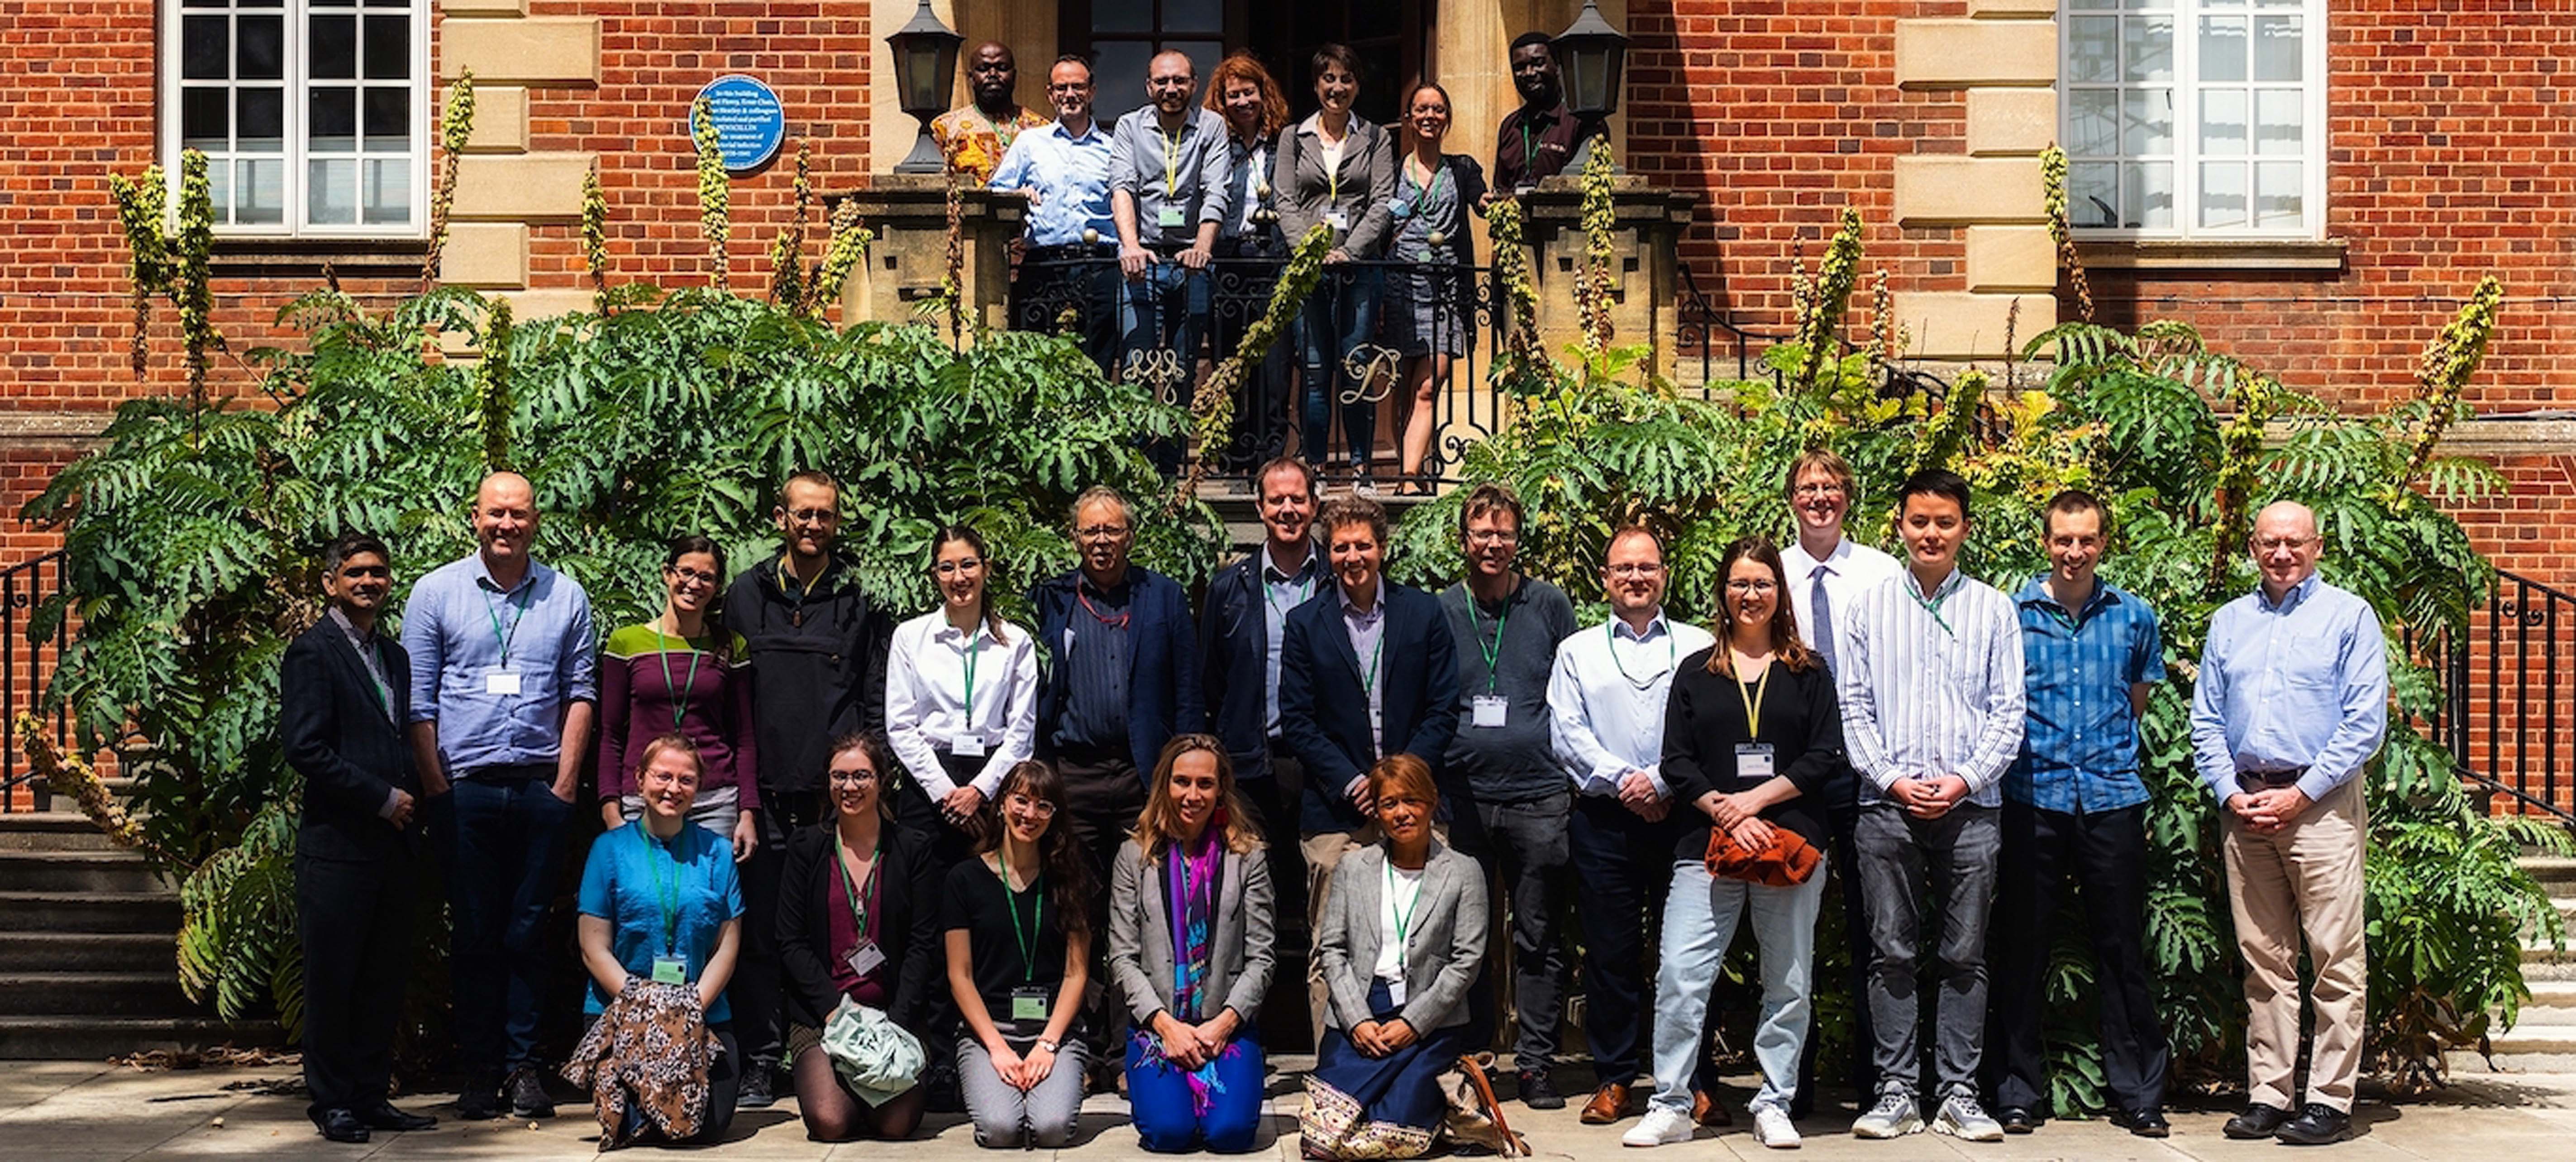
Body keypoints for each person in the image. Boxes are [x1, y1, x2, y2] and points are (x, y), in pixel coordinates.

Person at [1621, 537, 1841, 1151]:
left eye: (1763, 583)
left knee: (1788, 980)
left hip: (1789, 844)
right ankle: (1669, 1102)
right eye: (1741, 583)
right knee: (1681, 975)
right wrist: (1725, 807)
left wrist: (1754, 802)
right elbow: (1678, 759)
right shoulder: (1696, 670)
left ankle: (1774, 1102)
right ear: (1724, 591)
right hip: (1706, 846)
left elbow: (1825, 754)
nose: (1752, 594)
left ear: (1780, 592)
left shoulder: (1809, 670)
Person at [1837, 468, 2024, 1143]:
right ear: (1900, 524)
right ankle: (1895, 1089)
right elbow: (1852, 706)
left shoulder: (1994, 608)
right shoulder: (1869, 607)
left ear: (1964, 528)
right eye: (1920, 521)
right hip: (1885, 806)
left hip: (1972, 808)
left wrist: (1964, 778)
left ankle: (1959, 1091)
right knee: (1889, 949)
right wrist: (1890, 778)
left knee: (1965, 952)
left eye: (1945, 522)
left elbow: (2008, 712)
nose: (1931, 533)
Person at [2191, 500, 2385, 1148]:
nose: (2282, 554)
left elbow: (2364, 723)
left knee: (2335, 958)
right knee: (2265, 961)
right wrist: (2227, 790)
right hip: (2246, 806)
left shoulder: (2348, 616)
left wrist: (2301, 794)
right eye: (2270, 542)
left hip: (2321, 806)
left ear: (2318, 546)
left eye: (2294, 542)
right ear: (2252, 546)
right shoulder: (2230, 621)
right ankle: (2270, 1093)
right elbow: (2207, 721)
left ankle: (2329, 1099)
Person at [403, 471, 595, 1122]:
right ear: (476, 518)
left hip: (540, 787)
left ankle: (524, 1068)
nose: (506, 524)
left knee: (529, 931)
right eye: (495, 513)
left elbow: (580, 692)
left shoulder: (565, 595)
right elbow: (418, 698)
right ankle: (480, 1070)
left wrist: (566, 784)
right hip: (466, 790)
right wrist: (436, 785)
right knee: (477, 934)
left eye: (518, 513)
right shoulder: (436, 592)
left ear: (536, 519)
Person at [1985, 491, 2173, 1138]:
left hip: (2110, 798)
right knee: (2021, 946)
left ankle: (2139, 1092)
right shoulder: (2011, 614)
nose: (2074, 552)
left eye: (2086, 539)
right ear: (2046, 541)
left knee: (2122, 948)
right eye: (2064, 539)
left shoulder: (2133, 616)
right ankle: (2015, 1089)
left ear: (2103, 543)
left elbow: (2138, 699)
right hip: (2031, 797)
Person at [725, 470, 899, 1109]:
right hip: (765, 798)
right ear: (781, 517)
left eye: (825, 515)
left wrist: (870, 779)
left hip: (837, 804)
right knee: (762, 935)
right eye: (803, 514)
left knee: (833, 938)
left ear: (836, 520)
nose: (814, 525)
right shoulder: (744, 594)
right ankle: (760, 1058)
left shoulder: (858, 599)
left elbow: (875, 694)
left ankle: (831, 1047)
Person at [1545, 526, 1716, 1128]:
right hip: (1605, 819)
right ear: (1605, 578)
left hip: (1685, 817)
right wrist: (1628, 782)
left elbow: (1709, 729)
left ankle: (1695, 1079)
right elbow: (1567, 731)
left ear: (1664, 573)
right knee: (1611, 953)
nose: (1636, 577)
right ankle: (1615, 1077)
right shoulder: (1578, 650)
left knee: (1689, 953)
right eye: (1624, 568)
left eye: (1647, 567)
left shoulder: (1701, 645)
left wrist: (1665, 782)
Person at [1279, 493, 1460, 1045]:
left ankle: (1422, 1066)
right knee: (1331, 944)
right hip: (1338, 811)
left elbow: (1443, 706)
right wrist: (1356, 782)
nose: (1351, 556)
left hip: (1415, 804)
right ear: (1326, 552)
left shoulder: (1423, 613)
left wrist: (1400, 784)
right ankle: (1334, 1067)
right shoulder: (1305, 623)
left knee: (1423, 941)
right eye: (1339, 547)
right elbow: (1297, 719)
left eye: (1362, 545)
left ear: (1382, 549)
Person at [283, 532, 437, 1144]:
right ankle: (333, 1102)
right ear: (330, 582)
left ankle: (373, 1095)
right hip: (339, 846)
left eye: (377, 572)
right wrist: (379, 795)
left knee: (382, 977)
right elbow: (306, 747)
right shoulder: (312, 652)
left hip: (393, 848)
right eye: (355, 573)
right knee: (334, 979)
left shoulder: (394, 656)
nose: (368, 581)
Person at [1438, 482, 1579, 1108]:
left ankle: (1537, 1062)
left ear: (1519, 538)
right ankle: (1474, 1061)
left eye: (1505, 532)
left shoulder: (1549, 604)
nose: (1493, 543)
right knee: (1465, 938)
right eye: (1482, 532)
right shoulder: (1442, 609)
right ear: (1464, 539)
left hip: (1540, 795)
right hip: (1463, 796)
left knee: (1539, 935)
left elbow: (1573, 690)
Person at [1777, 448, 1902, 1112]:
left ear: (1848, 497)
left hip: (1866, 770)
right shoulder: (1774, 571)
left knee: (1873, 929)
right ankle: (1789, 1080)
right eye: (1807, 487)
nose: (1819, 497)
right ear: (1792, 498)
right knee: (1790, 927)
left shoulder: (1881, 572)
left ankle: (1875, 1076)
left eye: (1830, 486)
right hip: (1796, 775)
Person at [1300, 753, 1488, 1161]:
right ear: (1377, 811)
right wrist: (1358, 1018)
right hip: (1364, 1011)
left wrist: (1413, 1023)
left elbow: (1466, 961)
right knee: (1319, 1139)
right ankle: (1435, 1111)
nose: (1402, 813)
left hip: (1429, 1019)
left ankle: (1435, 1104)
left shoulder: (1463, 871)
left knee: (1390, 1135)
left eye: (1412, 800)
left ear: (1432, 801)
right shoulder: (1353, 867)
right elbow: (1331, 949)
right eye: (1389, 804)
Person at [1107, 734, 1278, 1153]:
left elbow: (1262, 956)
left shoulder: (1248, 857)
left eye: (1205, 783)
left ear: (1222, 789)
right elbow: (1122, 957)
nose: (1193, 795)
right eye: (1182, 781)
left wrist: (1223, 1024)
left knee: (1230, 1134)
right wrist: (1166, 1025)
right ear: (1164, 783)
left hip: (1226, 1025)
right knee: (1170, 1133)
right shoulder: (1134, 856)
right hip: (1159, 1025)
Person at [573, 735, 747, 1144]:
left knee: (707, 1126)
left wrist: (686, 1009)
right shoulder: (608, 849)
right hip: (623, 1010)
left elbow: (728, 944)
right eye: (662, 776)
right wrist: (648, 1005)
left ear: (699, 787)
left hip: (700, 1011)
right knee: (636, 1122)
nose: (673, 788)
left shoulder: (719, 854)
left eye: (686, 779)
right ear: (639, 780)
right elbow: (592, 945)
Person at [1029, 486, 1205, 883]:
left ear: (1130, 536)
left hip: (1143, 772)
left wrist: (1184, 768)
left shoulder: (1164, 596)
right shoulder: (1051, 598)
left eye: (1112, 530)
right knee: (1076, 894)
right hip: (1074, 773)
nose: (1102, 540)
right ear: (1075, 538)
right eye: (1091, 531)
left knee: (1146, 888)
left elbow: (1188, 691)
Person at [777, 732, 940, 1141]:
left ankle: (863, 1090)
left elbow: (923, 944)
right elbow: (790, 940)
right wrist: (834, 1012)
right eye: (840, 776)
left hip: (893, 1011)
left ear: (882, 781)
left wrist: (899, 1024)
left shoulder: (912, 849)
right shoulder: (807, 847)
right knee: (830, 1122)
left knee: (896, 1124)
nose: (850, 787)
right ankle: (847, 1090)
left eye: (862, 775)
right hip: (825, 1015)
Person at [944, 760, 1097, 1149]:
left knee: (1052, 1128)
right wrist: (996, 1047)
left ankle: (1057, 1078)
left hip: (1054, 1031)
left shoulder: (1070, 876)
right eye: (1021, 801)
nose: (1030, 814)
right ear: (1001, 804)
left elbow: (1076, 974)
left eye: (1044, 806)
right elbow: (960, 974)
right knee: (999, 1129)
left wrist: (1048, 1044)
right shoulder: (964, 879)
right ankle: (988, 1082)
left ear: (1054, 816)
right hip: (988, 1031)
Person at [1199, 456, 1325, 895]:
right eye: (1277, 500)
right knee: (1250, 889)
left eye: (1297, 498)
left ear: (1314, 505)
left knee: (1319, 886)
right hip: (1252, 763)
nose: (1287, 509)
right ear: (1259, 507)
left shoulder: (1337, 580)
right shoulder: (1229, 588)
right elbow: (1212, 677)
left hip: (1322, 766)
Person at [887, 524, 1042, 876]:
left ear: (986, 568)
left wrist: (979, 791)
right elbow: (900, 726)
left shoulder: (1016, 643)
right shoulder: (910, 637)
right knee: (923, 895)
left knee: (986, 898)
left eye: (968, 565)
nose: (959, 577)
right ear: (934, 575)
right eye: (947, 567)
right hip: (927, 782)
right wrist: (944, 791)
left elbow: (1022, 733)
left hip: (993, 781)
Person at [1273, 43, 1395, 483]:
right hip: (1307, 273)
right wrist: (1311, 251)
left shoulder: (1377, 138)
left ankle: (1362, 469)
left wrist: (1348, 251)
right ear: (1316, 85)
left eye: (1346, 79)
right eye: (1329, 79)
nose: (1337, 88)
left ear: (1357, 85)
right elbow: (1285, 201)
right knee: (1314, 372)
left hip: (1358, 271)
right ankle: (1317, 468)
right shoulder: (1293, 137)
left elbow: (1382, 203)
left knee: (1356, 367)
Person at [601, 535, 759, 856]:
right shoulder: (626, 643)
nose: (694, 584)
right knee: (642, 900)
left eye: (706, 577)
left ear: (717, 587)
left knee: (707, 901)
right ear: (667, 573)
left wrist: (748, 812)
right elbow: (610, 734)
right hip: (644, 797)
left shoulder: (731, 645)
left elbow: (744, 736)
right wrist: (610, 810)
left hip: (714, 801)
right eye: (686, 572)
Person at [1109, 48, 1231, 424]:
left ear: (1194, 85)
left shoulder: (1212, 126)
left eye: (1179, 80)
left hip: (1192, 264)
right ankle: (1138, 468)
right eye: (1162, 81)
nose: (1171, 88)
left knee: (1183, 368)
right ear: (1149, 86)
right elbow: (1122, 187)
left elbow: (1216, 191)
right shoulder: (1129, 126)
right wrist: (1130, 245)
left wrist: (1203, 247)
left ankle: (1173, 468)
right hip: (1143, 261)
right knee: (1137, 368)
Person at [1383, 83, 1485, 496]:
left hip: (1445, 289)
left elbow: (1481, 198)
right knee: (1400, 383)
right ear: (1409, 118)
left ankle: (1408, 481)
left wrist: (1495, 205)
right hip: (1399, 286)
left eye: (1438, 109)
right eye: (1421, 109)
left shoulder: (1461, 168)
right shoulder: (1391, 169)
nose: (1430, 116)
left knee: (1429, 383)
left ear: (1448, 118)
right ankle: (1408, 468)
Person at [992, 55, 1121, 372]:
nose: (1070, 94)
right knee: (1037, 360)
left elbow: (1127, 201)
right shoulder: (1030, 143)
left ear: (1091, 92)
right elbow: (993, 191)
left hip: (1100, 263)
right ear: (1050, 94)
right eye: (1061, 87)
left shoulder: (1113, 148)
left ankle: (1093, 420)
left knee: (1098, 359)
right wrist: (1017, 194)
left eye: (1078, 86)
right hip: (1045, 264)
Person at [1205, 53, 1295, 467]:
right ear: (1222, 101)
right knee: (1231, 362)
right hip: (1227, 259)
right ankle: (1233, 455)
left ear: (1264, 94)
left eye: (1250, 92)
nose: (1243, 102)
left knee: (1274, 367)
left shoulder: (1284, 142)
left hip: (1274, 256)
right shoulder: (1216, 145)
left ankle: (1271, 458)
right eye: (1233, 95)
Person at [1490, 32, 1608, 198]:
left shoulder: (1582, 122)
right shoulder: (1510, 126)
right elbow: (1500, 190)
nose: (1529, 73)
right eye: (1520, 68)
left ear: (1558, 66)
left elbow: (1596, 190)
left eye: (1538, 63)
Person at [934, 42, 1053, 185]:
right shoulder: (945, 128)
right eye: (983, 69)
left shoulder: (1042, 129)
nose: (993, 74)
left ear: (1014, 76)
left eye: (1002, 68)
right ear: (971, 78)